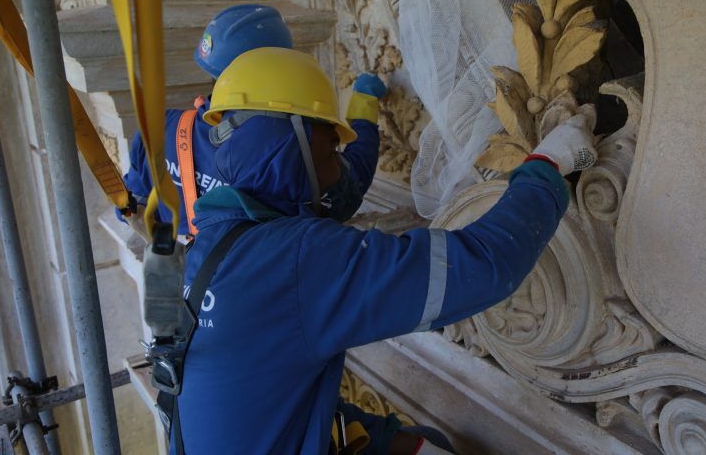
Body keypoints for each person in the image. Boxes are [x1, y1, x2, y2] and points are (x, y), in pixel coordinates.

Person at [174, 47, 597, 454]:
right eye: (331, 149)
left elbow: (276, 402)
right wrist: (547, 166)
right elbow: (484, 265)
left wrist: (388, 439)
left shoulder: (208, 246)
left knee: (423, 436)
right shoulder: (296, 258)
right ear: (292, 142)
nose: (338, 169)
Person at [118, 4, 386, 238]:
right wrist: (364, 104)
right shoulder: (285, 150)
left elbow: (132, 206)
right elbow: (350, 186)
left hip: (193, 276)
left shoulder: (160, 127)